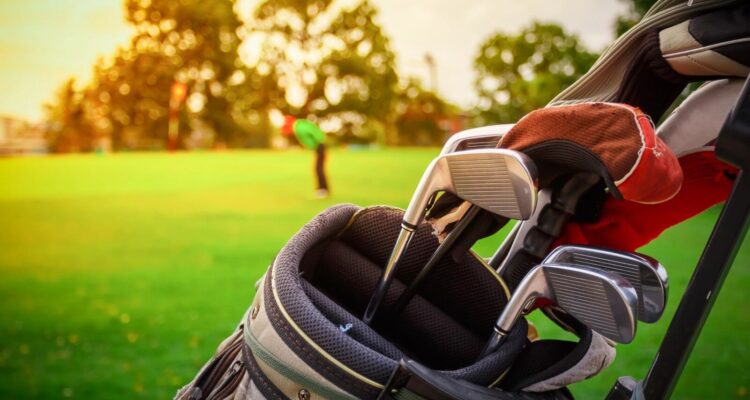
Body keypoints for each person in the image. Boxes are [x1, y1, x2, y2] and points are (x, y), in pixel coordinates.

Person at [281, 116, 330, 198]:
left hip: (320, 146)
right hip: (319, 147)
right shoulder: (299, 126)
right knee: (318, 168)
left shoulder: (299, 128)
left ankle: (323, 190)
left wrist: (323, 149)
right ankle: (321, 189)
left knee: (319, 169)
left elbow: (314, 134)